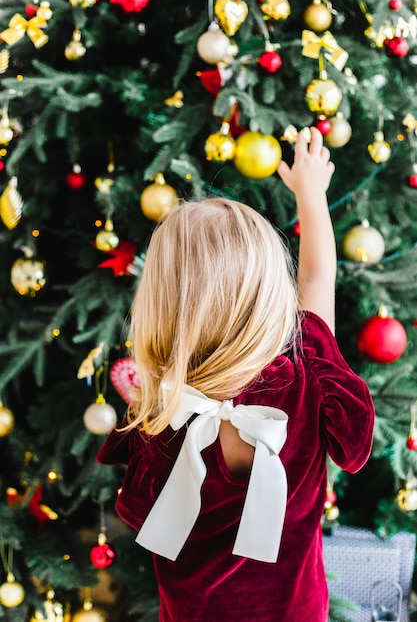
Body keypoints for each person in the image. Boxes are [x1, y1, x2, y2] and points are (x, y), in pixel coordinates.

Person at [96, 128, 375, 621]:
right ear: (271, 291)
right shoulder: (309, 366)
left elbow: (139, 514)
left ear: (160, 305)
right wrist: (311, 194)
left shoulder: (162, 414)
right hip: (296, 611)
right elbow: (317, 276)